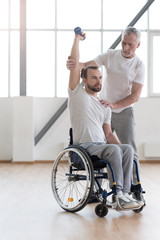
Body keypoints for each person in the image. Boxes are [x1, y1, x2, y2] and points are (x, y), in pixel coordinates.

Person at [68, 30, 143, 210]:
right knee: (114, 151)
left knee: (126, 149)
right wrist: (77, 40)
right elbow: (77, 66)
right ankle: (117, 194)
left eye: (100, 77)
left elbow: (108, 134)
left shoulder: (104, 106)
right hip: (85, 146)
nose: (98, 81)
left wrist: (124, 151)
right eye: (94, 78)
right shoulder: (77, 93)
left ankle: (125, 193)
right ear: (84, 80)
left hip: (101, 143)